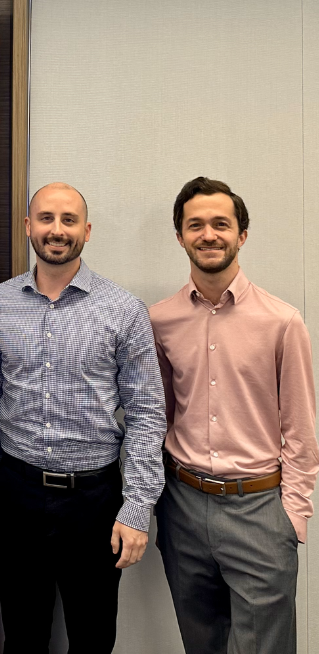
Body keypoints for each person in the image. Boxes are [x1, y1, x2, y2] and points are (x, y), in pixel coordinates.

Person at [0, 182, 166, 653]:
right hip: (16, 495)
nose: (56, 230)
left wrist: (137, 506)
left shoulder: (123, 309)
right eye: (46, 219)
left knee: (93, 636)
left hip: (95, 502)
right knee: (22, 635)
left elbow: (146, 412)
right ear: (27, 227)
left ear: (86, 230)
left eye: (68, 220)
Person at [150, 177, 317, 654]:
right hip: (182, 505)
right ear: (180, 236)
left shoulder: (281, 322)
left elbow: (301, 430)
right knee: (201, 643)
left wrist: (293, 516)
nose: (209, 235)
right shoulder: (160, 321)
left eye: (221, 224)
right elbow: (156, 417)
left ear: (241, 234)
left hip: (260, 509)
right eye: (195, 225)